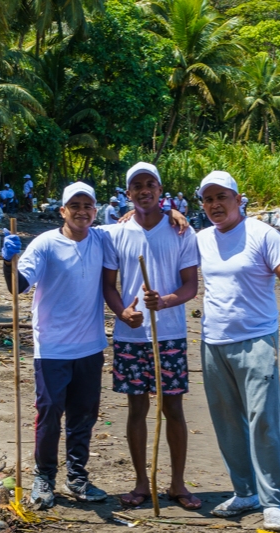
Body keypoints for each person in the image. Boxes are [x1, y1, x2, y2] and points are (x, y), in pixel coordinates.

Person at [196, 170, 280, 530]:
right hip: (213, 342)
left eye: (221, 197)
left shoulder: (263, 233)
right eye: (208, 199)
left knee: (263, 421)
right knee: (227, 423)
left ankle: (272, 500)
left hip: (257, 339)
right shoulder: (201, 239)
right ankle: (245, 492)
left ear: (238, 199)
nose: (215, 205)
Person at [1, 181, 110, 509]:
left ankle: (77, 477)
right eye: (74, 206)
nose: (82, 211)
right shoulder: (46, 244)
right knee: (49, 414)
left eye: (88, 205)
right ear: (63, 211)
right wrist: (8, 261)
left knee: (84, 416)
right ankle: (43, 477)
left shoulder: (102, 238)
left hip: (90, 347)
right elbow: (18, 286)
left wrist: (174, 212)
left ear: (95, 210)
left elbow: (136, 226)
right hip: (52, 348)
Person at [101, 162, 200, 511]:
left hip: (169, 333)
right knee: (136, 409)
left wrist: (167, 300)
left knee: (173, 408)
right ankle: (142, 483)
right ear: (128, 195)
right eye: (137, 186)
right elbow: (108, 285)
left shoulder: (181, 232)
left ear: (161, 190)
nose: (145, 190)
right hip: (131, 337)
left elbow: (191, 284)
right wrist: (122, 313)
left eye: (151, 184)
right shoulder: (115, 232)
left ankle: (177, 484)